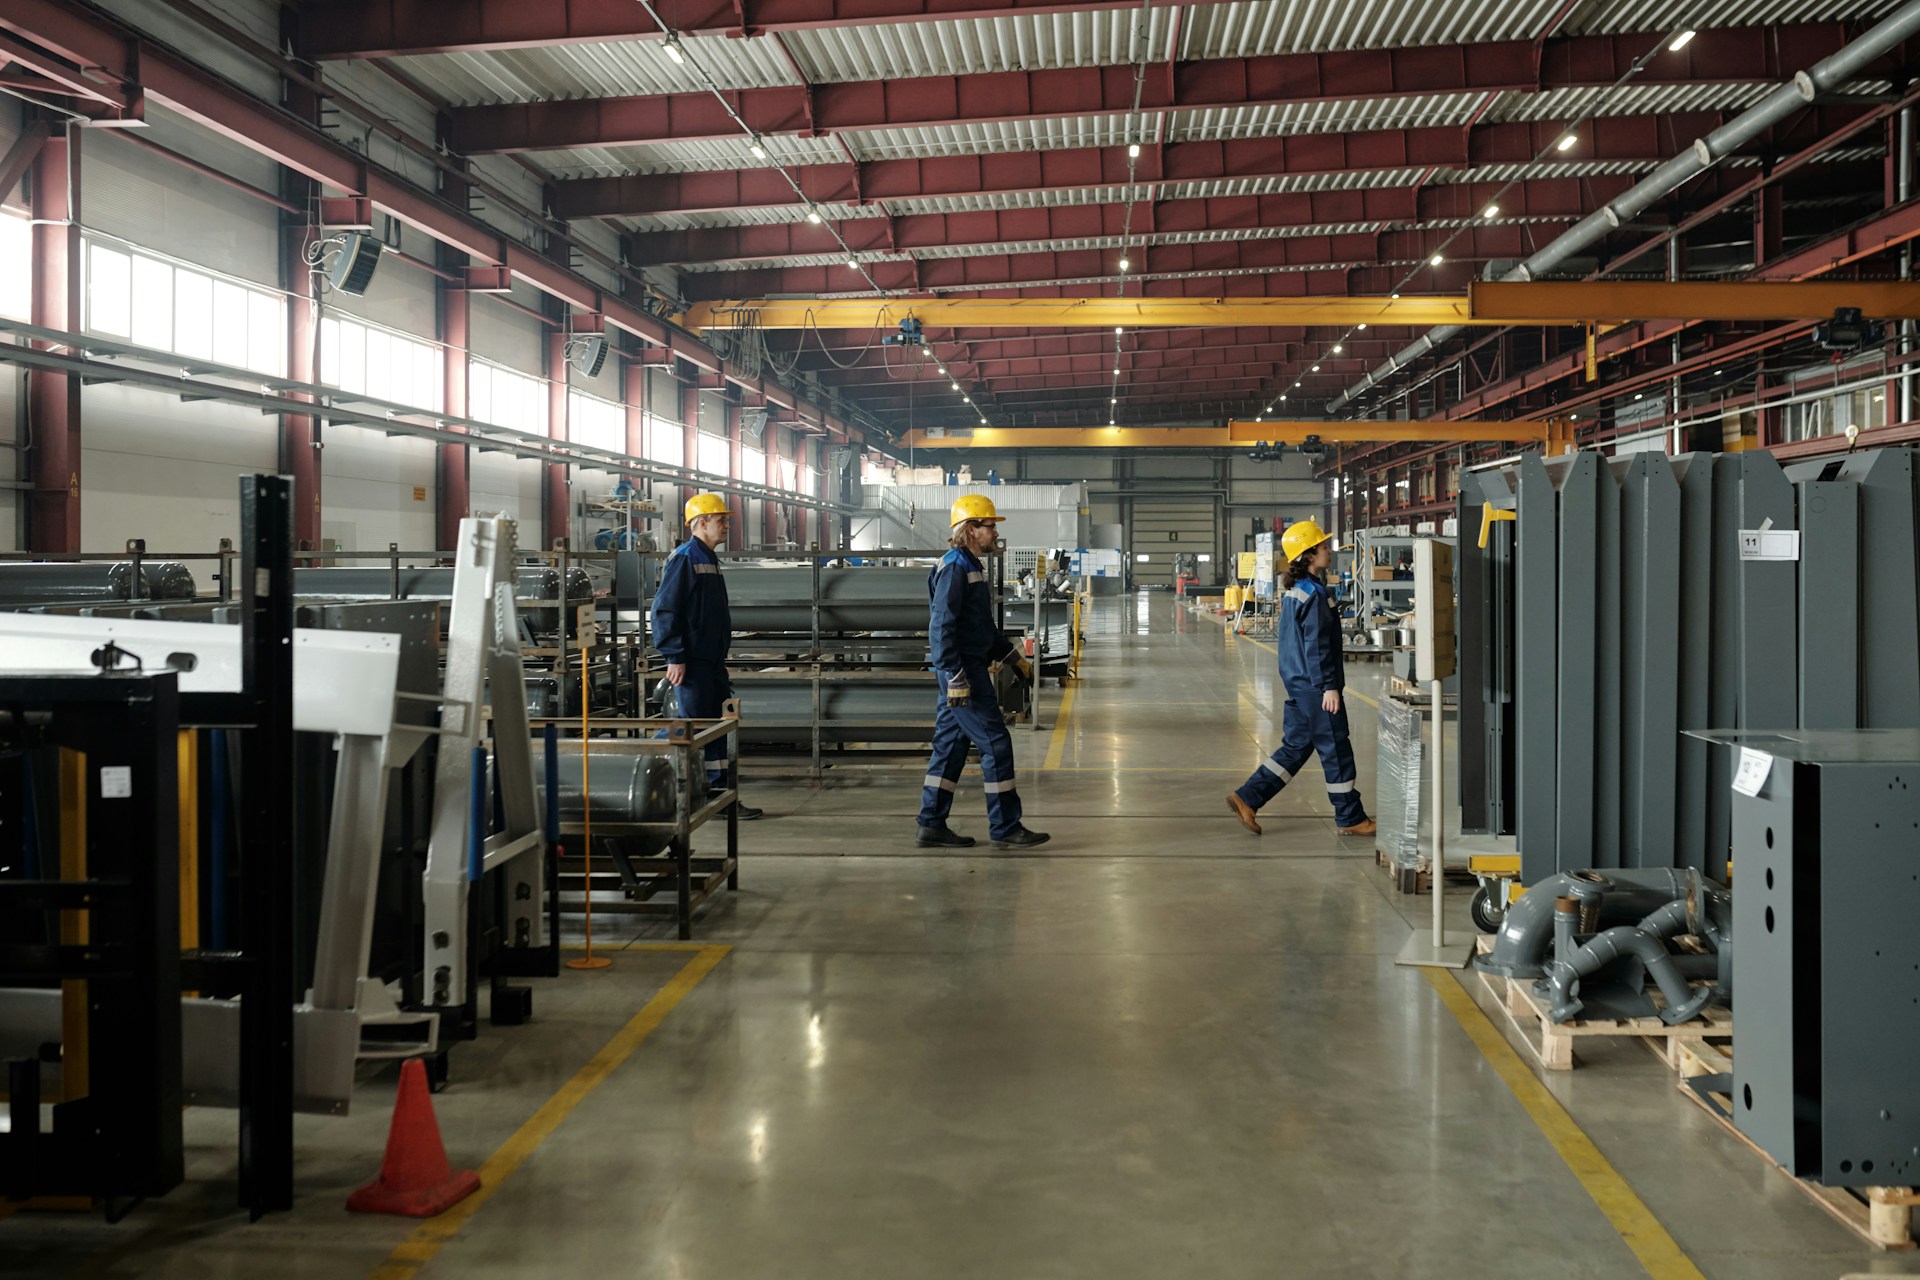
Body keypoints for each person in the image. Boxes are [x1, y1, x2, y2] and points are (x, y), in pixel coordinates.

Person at [915, 494, 1049, 850]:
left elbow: (981, 628)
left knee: (950, 747)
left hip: (965, 667)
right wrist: (954, 674)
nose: (995, 533)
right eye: (990, 526)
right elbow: (941, 625)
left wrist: (1012, 657)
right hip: (963, 673)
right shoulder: (956, 567)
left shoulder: (970, 565)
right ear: (971, 529)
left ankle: (931, 823)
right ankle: (1005, 826)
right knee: (996, 743)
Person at [1227, 518, 1376, 838]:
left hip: (1299, 683)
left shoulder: (1298, 591)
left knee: (1296, 748)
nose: (1329, 550)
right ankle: (1350, 816)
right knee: (1336, 749)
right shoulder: (1314, 594)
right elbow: (1317, 644)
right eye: (1323, 546)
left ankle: (1248, 797)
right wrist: (1329, 686)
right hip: (1315, 687)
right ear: (1309, 554)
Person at [653, 492, 761, 820]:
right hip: (693, 662)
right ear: (701, 523)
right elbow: (664, 609)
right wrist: (674, 655)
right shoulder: (686, 558)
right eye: (721, 520)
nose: (727, 525)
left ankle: (716, 794)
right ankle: (646, 769)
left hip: (711, 662)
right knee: (692, 726)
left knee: (714, 727)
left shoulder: (708, 558)